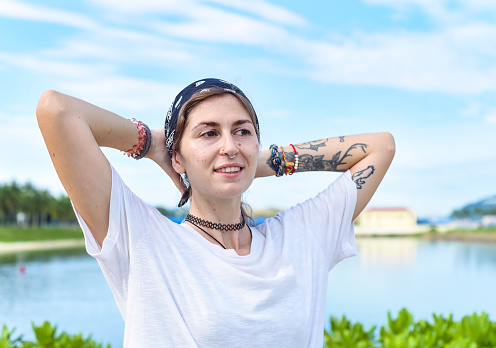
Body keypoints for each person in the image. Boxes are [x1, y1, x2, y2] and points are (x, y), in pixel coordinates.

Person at [36, 78, 395, 347]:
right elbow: (58, 111)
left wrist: (256, 161)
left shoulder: (302, 237)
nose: (229, 145)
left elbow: (380, 147)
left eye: (242, 131)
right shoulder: (143, 241)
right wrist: (151, 144)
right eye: (208, 133)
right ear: (177, 156)